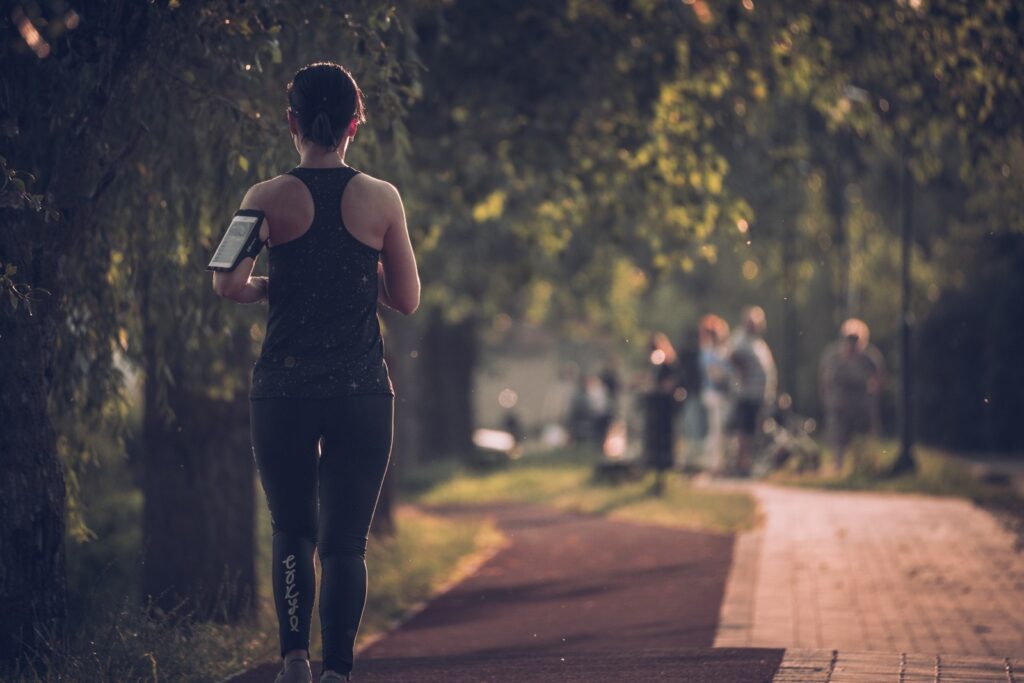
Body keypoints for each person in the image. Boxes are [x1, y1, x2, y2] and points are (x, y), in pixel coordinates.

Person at [212, 62, 420, 683]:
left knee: (292, 531)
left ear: (292, 121)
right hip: (360, 389)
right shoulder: (382, 198)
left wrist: (283, 283)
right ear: (356, 122)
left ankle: (294, 660)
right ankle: (338, 671)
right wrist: (355, 274)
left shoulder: (262, 197)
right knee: (345, 543)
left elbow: (227, 283)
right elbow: (406, 299)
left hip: (283, 389)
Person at [819, 318, 885, 471]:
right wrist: (827, 399)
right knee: (838, 438)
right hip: (839, 404)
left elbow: (879, 377)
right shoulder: (832, 356)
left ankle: (860, 467)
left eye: (855, 339)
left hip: (861, 405)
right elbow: (824, 379)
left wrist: (873, 399)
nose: (851, 343)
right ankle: (838, 467)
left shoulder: (869, 357)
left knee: (862, 437)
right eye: (848, 338)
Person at [728, 306, 777, 475]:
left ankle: (749, 464)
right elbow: (733, 357)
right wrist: (744, 374)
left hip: (759, 394)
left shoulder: (758, 342)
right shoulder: (741, 338)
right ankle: (742, 465)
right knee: (745, 431)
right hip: (747, 394)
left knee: (755, 431)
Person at [699, 314, 731, 475]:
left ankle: (719, 462)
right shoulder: (708, 352)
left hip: (722, 394)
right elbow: (714, 375)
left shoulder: (720, 351)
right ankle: (713, 464)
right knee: (716, 430)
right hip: (714, 394)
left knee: (721, 430)